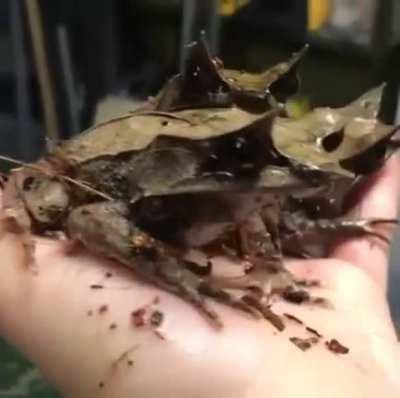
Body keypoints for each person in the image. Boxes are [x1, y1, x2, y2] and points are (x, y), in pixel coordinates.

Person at [0, 156, 399, 398]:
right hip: (126, 199)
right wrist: (179, 275)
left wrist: (270, 267)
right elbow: (88, 217)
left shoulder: (244, 201)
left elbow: (253, 212)